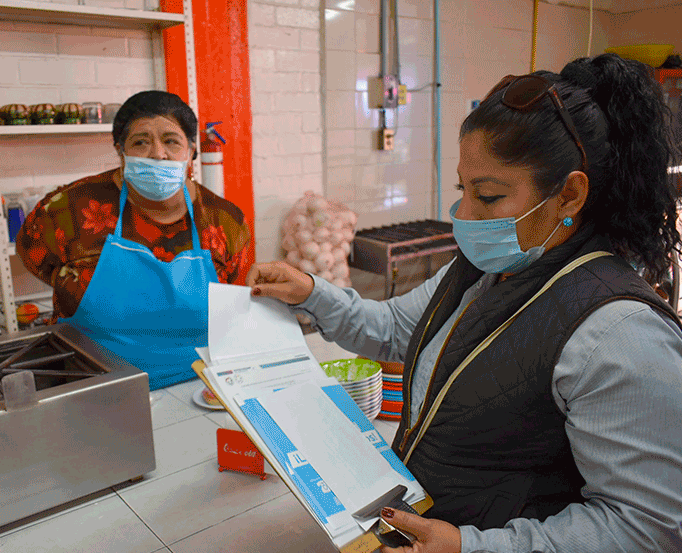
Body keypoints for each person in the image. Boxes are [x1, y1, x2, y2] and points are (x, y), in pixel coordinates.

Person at [248, 53, 682, 552]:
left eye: (490, 197)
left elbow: (646, 529)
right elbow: (394, 327)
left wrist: (469, 546)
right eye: (463, 190)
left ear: (569, 196)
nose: (465, 217)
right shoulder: (486, 270)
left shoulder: (619, 331)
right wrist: (311, 293)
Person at [17, 90, 251, 389]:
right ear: (120, 150)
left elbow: (233, 303)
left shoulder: (224, 221)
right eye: (140, 142)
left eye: (171, 141)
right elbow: (36, 260)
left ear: (192, 150)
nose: (157, 153)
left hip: (200, 389)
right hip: (92, 386)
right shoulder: (66, 210)